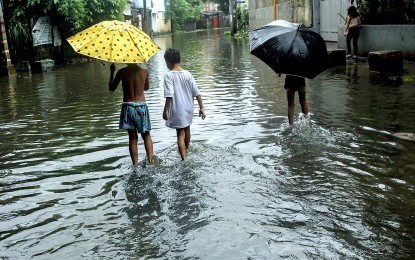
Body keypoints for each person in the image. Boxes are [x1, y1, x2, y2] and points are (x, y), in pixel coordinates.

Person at [162, 48, 206, 160]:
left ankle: (184, 159)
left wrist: (165, 110)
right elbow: (197, 93)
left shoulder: (168, 76)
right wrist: (201, 108)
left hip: (177, 109)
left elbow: (169, 95)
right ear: (180, 60)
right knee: (187, 129)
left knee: (180, 134)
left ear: (167, 62)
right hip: (188, 108)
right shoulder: (188, 74)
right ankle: (186, 150)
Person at [109, 63, 154, 166]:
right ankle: (151, 161)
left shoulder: (122, 72)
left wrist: (112, 72)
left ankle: (135, 165)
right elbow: (146, 88)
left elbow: (112, 88)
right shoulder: (144, 71)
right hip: (141, 106)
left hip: (127, 107)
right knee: (146, 135)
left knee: (132, 138)